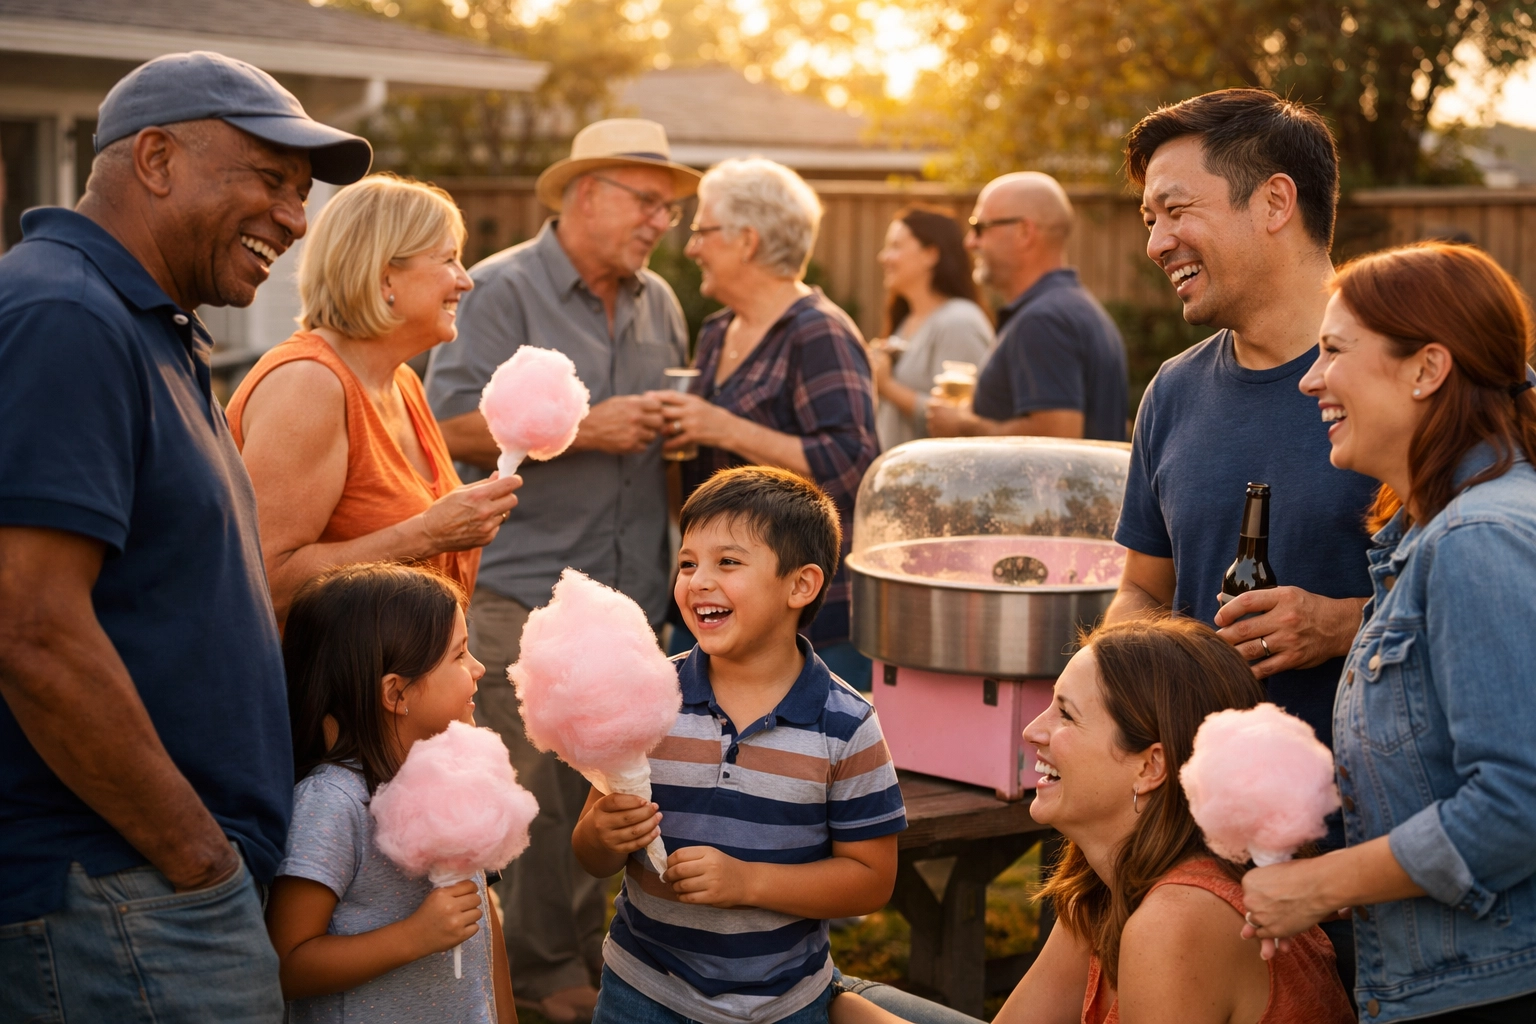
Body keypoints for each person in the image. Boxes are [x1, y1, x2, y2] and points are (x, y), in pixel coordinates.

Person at [0, 52, 370, 1022]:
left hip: (156, 884)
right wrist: (196, 857)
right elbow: (28, 625)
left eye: (302, 194)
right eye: (270, 180)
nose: (296, 219)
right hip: (121, 890)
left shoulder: (147, 326)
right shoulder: (64, 314)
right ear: (156, 158)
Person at [1107, 90, 1384, 983]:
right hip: (1205, 858)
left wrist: (1343, 624)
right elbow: (1142, 589)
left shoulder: (1425, 372)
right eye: (1149, 218)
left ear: (1274, 203)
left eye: (1176, 210)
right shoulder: (1174, 392)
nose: (1155, 244)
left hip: (1389, 862)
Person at [424, 117, 697, 1023]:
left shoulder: (660, 300)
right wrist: (586, 425)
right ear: (584, 193)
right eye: (644, 199)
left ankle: (595, 950)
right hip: (523, 591)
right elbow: (450, 419)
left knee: (613, 790)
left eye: (669, 205)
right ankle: (545, 979)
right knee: (539, 795)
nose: (661, 219)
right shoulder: (500, 290)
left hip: (628, 598)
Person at [1240, 244, 1536, 1023]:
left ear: (1427, 368)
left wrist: (1319, 887)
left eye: (1334, 351)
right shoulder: (1432, 535)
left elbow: (1518, 802)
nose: (1309, 379)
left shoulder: (1477, 539)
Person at [831, 618, 1355, 1024]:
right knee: (837, 1000)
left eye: (1066, 714)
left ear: (1150, 766)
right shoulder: (1109, 878)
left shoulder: (1181, 916)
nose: (1034, 730)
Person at [574, 466, 907, 1024]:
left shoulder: (846, 726)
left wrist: (749, 881)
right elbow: (589, 854)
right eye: (687, 563)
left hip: (782, 1001)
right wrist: (603, 833)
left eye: (727, 562)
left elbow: (871, 880)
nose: (698, 580)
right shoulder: (646, 699)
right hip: (643, 988)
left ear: (800, 585)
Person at [228, 174, 519, 623]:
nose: (466, 281)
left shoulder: (401, 380)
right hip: (310, 691)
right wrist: (426, 533)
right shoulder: (309, 384)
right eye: (448, 260)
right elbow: (262, 580)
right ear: (385, 276)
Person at [656, 157, 880, 689]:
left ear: (747, 241)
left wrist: (722, 427)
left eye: (702, 231)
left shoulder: (817, 332)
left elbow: (852, 463)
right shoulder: (716, 332)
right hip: (712, 604)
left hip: (800, 625)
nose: (691, 248)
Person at [266, 562, 515, 1023]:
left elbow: (484, 930)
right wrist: (414, 937)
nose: (479, 668)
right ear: (396, 692)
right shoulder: (333, 803)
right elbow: (285, 963)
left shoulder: (455, 782)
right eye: (460, 655)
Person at [926, 171, 1127, 442]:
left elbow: (1057, 438)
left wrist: (963, 425)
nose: (970, 242)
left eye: (979, 227)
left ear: (1024, 232)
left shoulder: (1043, 320)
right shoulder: (1070, 307)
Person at [868, 204, 995, 449]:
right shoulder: (906, 321)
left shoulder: (959, 322)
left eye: (895, 246)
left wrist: (888, 387)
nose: (883, 257)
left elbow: (963, 423)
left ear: (930, 254)